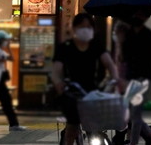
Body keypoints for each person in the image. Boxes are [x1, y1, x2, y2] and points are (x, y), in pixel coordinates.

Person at [51, 13, 122, 145]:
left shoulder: (96, 45)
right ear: (74, 28)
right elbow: (56, 71)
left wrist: (115, 79)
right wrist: (58, 83)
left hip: (92, 91)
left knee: (95, 127)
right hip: (72, 92)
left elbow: (110, 65)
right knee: (72, 128)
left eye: (89, 27)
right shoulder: (65, 47)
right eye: (81, 26)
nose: (85, 29)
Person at [121, 11, 151, 145]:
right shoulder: (127, 36)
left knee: (135, 113)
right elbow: (123, 59)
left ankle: (134, 142)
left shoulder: (150, 36)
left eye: (141, 15)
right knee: (130, 113)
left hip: (143, 78)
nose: (137, 17)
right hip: (129, 78)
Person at [0, 31, 25, 131]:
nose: (7, 42)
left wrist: (8, 48)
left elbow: (12, 58)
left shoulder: (0, 51)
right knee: (3, 102)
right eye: (6, 40)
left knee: (3, 102)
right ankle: (14, 124)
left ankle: (14, 124)